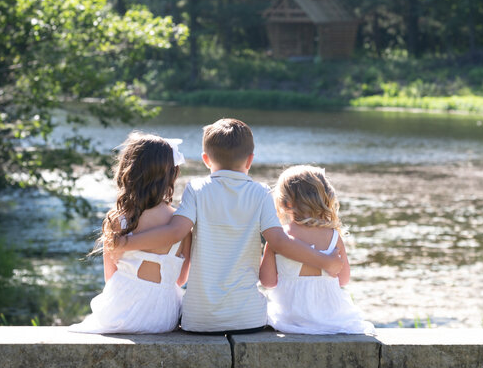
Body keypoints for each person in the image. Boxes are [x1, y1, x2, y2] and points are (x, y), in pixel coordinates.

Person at [114, 118, 342, 333]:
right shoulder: (261, 192)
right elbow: (281, 242)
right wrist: (326, 261)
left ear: (206, 159)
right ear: (250, 160)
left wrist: (126, 242)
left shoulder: (196, 189)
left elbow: (175, 232)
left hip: (198, 320)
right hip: (248, 319)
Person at [70, 133, 191, 334]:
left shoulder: (118, 220)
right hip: (163, 317)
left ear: (128, 172)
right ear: (172, 175)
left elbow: (110, 277)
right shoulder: (181, 223)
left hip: (121, 312)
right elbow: (180, 280)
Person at [259, 165, 375, 335]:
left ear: (285, 203)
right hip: (330, 318)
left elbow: (267, 282)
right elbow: (343, 280)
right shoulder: (334, 236)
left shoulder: (280, 237)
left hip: (291, 318)